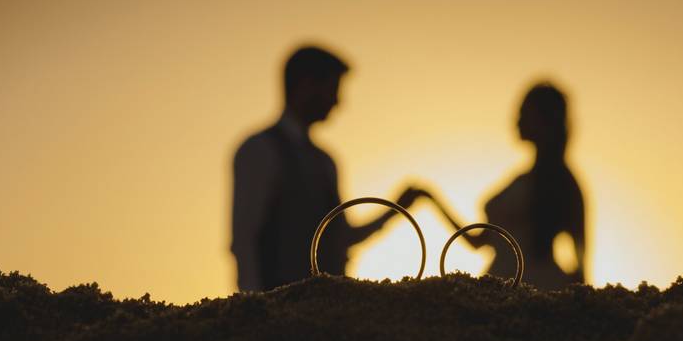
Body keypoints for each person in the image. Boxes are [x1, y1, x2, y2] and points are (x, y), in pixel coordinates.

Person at [231, 45, 421, 292]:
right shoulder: (260, 150)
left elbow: (341, 238)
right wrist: (253, 308)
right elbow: (245, 239)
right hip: (279, 309)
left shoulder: (325, 161)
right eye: (332, 89)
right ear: (306, 85)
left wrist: (395, 210)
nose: (337, 101)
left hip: (329, 310)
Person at [423, 82, 586, 289]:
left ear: (546, 121)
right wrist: (432, 200)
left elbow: (581, 260)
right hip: (500, 285)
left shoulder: (562, 182)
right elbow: (479, 241)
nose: (517, 119)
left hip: (537, 288)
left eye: (525, 112)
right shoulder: (523, 180)